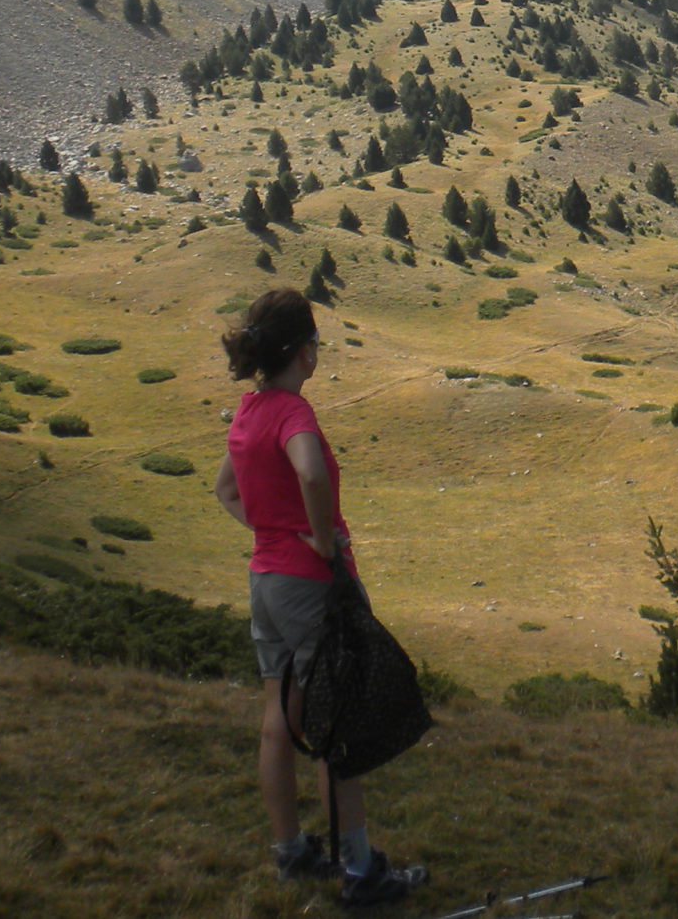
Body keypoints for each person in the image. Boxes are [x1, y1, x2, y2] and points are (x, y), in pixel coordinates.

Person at [214, 288, 426, 902]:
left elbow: (225, 491)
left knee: (280, 721)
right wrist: (322, 544)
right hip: (311, 588)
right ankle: (359, 870)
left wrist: (273, 533)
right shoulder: (292, 415)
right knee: (341, 725)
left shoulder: (249, 411)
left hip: (266, 581)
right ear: (305, 353)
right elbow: (308, 470)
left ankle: (290, 853)